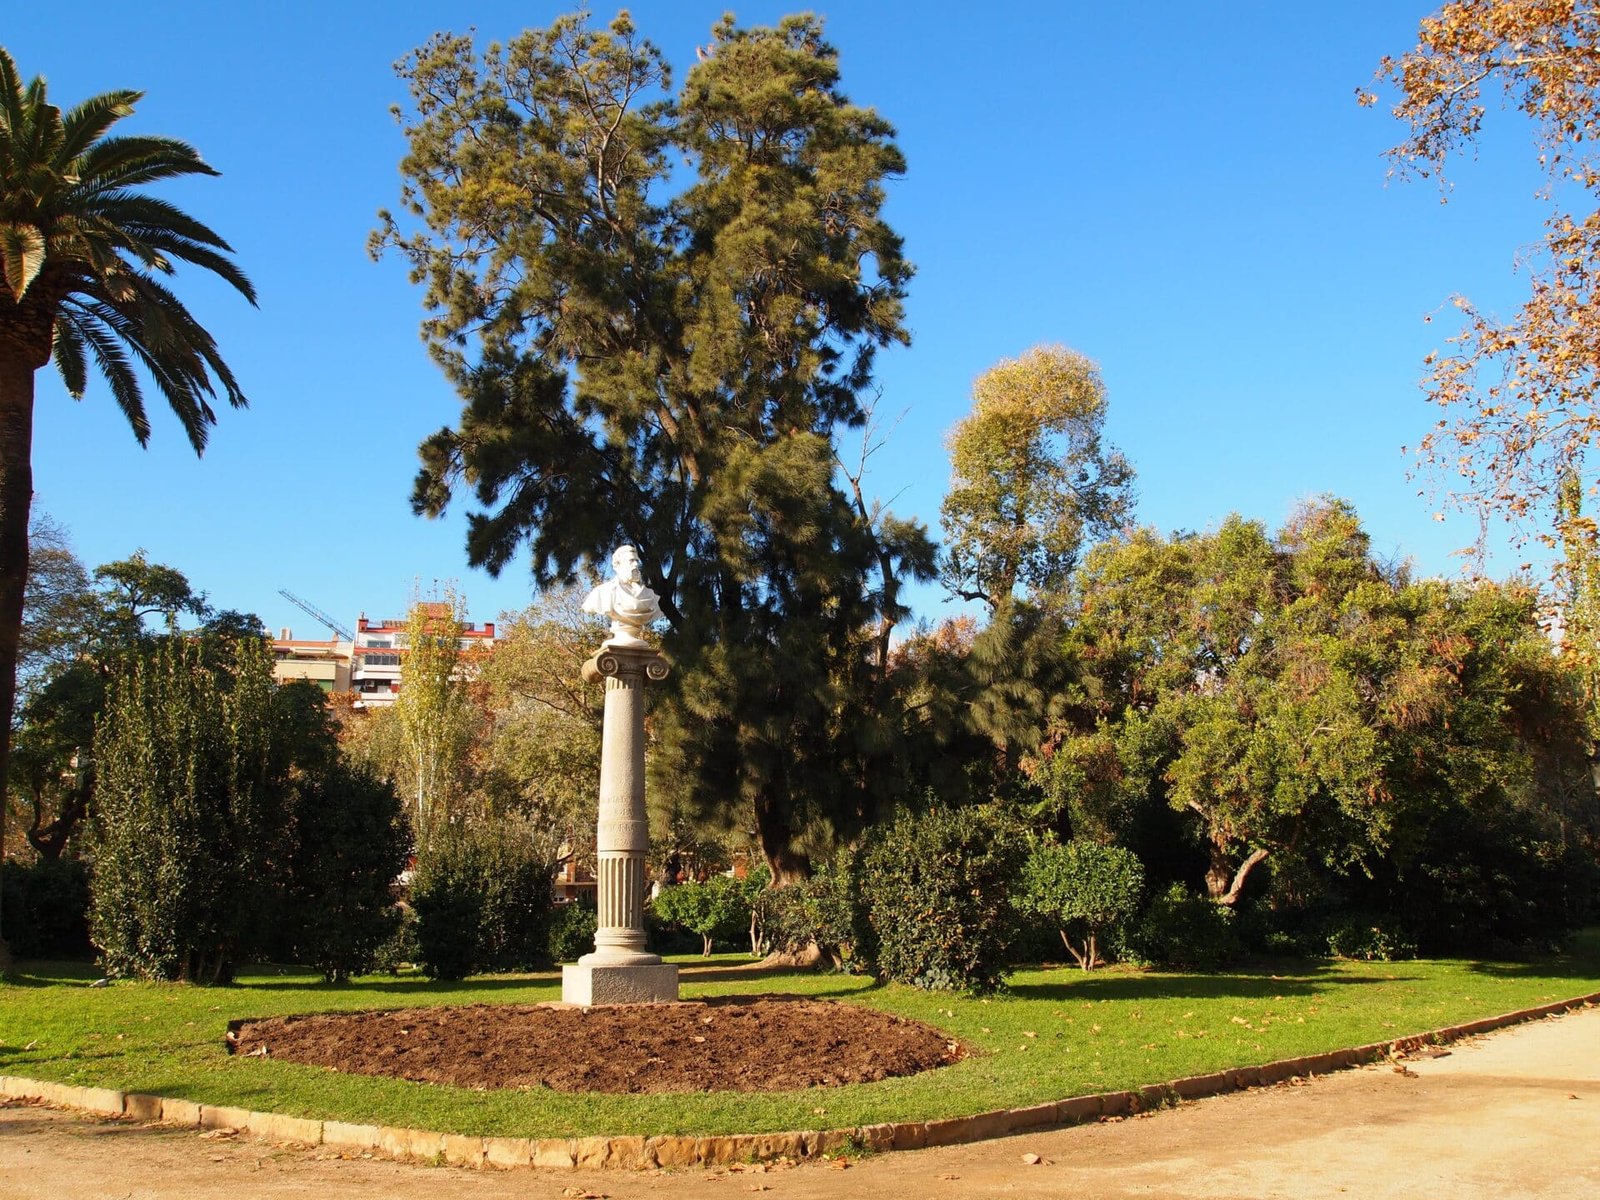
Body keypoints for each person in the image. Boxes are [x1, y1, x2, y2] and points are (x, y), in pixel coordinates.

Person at [582, 545, 662, 647]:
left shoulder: (651, 596)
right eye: (631, 561)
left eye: (637, 561)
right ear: (617, 565)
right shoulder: (602, 592)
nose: (636, 565)